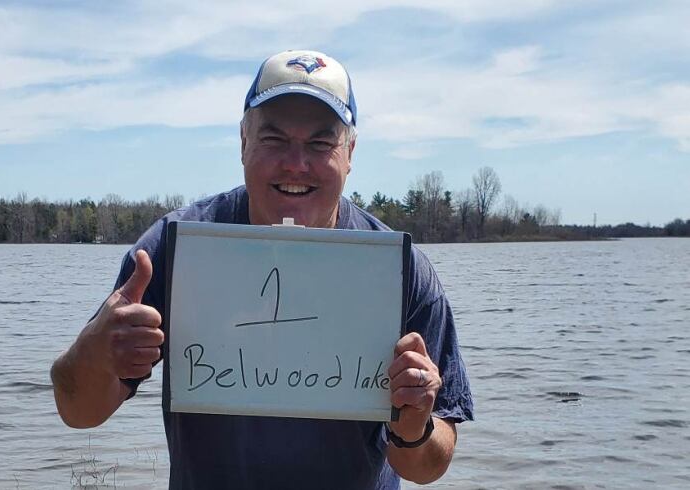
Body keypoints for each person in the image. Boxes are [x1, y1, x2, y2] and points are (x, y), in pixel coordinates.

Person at [51, 49, 473, 489]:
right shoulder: (176, 249)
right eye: (273, 139)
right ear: (243, 142)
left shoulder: (399, 270)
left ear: (350, 152)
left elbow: (429, 467)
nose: (296, 163)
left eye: (320, 142)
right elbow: (78, 411)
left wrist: (415, 429)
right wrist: (94, 354)